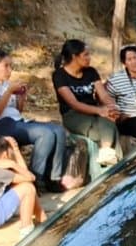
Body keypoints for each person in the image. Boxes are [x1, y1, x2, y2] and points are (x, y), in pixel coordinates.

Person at [0, 47, 75, 187]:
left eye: (11, 66)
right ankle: (34, 179)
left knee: (58, 130)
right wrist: (9, 92)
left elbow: (17, 111)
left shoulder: (5, 83)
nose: (10, 70)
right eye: (6, 66)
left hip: (14, 121)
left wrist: (21, 96)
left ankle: (53, 178)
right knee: (45, 134)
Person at [51, 39, 123, 172]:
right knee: (107, 130)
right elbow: (73, 103)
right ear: (74, 56)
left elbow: (103, 95)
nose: (89, 58)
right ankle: (110, 167)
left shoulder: (91, 72)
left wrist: (111, 107)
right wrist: (100, 111)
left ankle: (107, 154)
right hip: (73, 114)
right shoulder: (60, 75)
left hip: (95, 112)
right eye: (86, 55)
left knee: (109, 120)